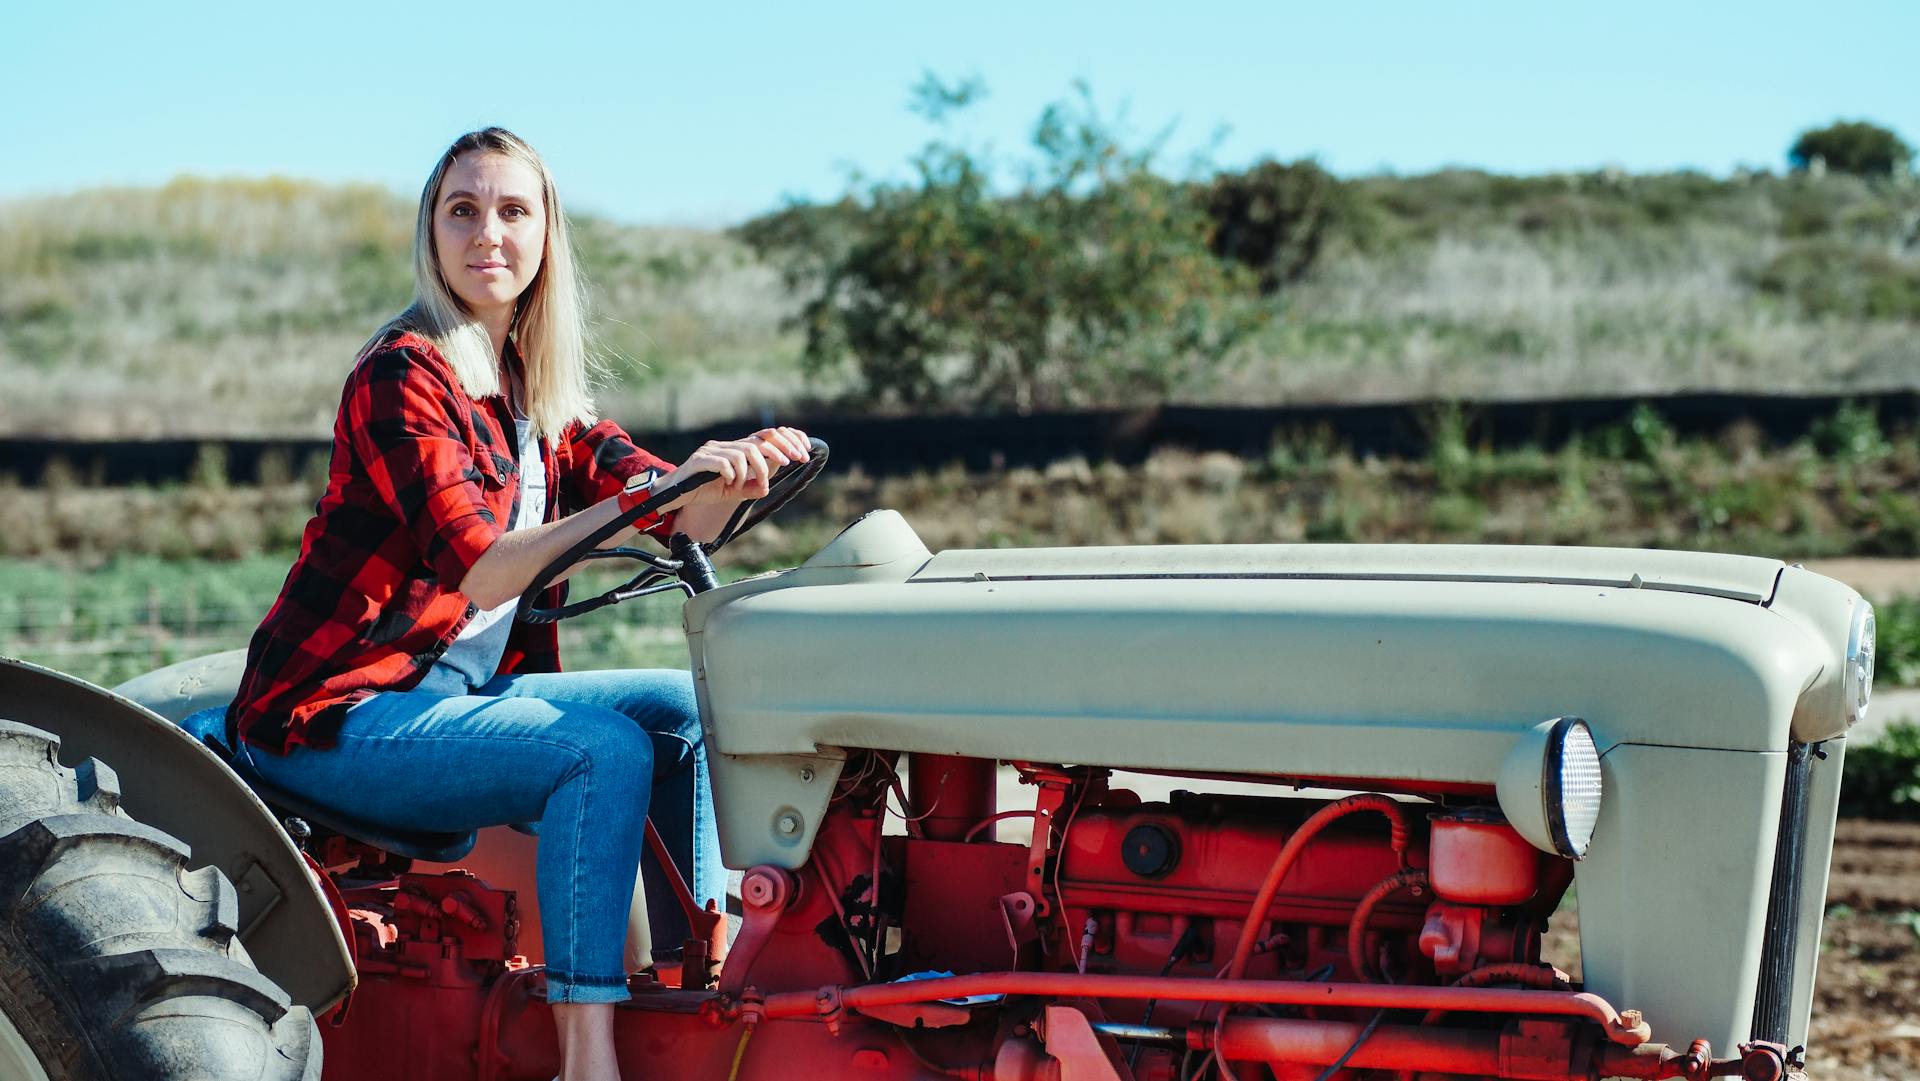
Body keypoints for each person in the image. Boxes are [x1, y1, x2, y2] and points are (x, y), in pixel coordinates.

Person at [205, 127, 807, 1081]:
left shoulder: (535, 394)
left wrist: (739, 470)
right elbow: (481, 568)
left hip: (451, 702)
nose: (489, 232)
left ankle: (694, 981)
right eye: (464, 210)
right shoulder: (403, 375)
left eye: (513, 211)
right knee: (598, 749)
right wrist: (642, 499)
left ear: (545, 236)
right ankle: (588, 1052)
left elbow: (665, 498)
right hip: (336, 713)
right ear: (433, 235)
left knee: (682, 710)